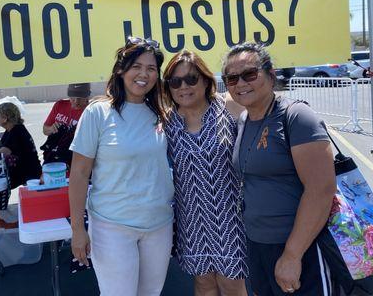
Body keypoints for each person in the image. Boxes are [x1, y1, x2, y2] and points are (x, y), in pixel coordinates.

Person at [222, 42, 336, 296]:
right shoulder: (243, 120)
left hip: (299, 248)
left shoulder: (297, 117)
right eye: (231, 78)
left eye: (250, 74)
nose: (240, 83)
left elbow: (321, 190)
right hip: (258, 246)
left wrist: (292, 256)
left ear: (270, 74)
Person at [69, 37, 175, 296]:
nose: (144, 74)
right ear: (121, 70)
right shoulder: (98, 113)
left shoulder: (162, 113)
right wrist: (77, 230)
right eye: (136, 66)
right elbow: (79, 174)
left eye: (151, 69)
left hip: (158, 225)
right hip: (112, 227)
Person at [162, 50, 248, 296]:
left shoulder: (228, 107)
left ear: (205, 80)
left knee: (232, 285)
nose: (184, 87)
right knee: (204, 285)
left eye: (191, 79)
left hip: (231, 218)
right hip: (192, 220)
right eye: (175, 81)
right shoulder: (167, 120)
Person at [0, 102, 42, 228]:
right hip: (22, 168)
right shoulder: (13, 128)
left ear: (5, 118)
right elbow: (2, 144)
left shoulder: (16, 131)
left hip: (28, 171)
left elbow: (6, 151)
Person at [41, 83, 91, 166]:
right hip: (54, 158)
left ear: (87, 96)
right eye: (73, 98)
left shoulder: (90, 112)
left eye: (80, 98)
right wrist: (51, 129)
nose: (76, 101)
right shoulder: (59, 105)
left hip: (76, 161)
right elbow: (45, 130)